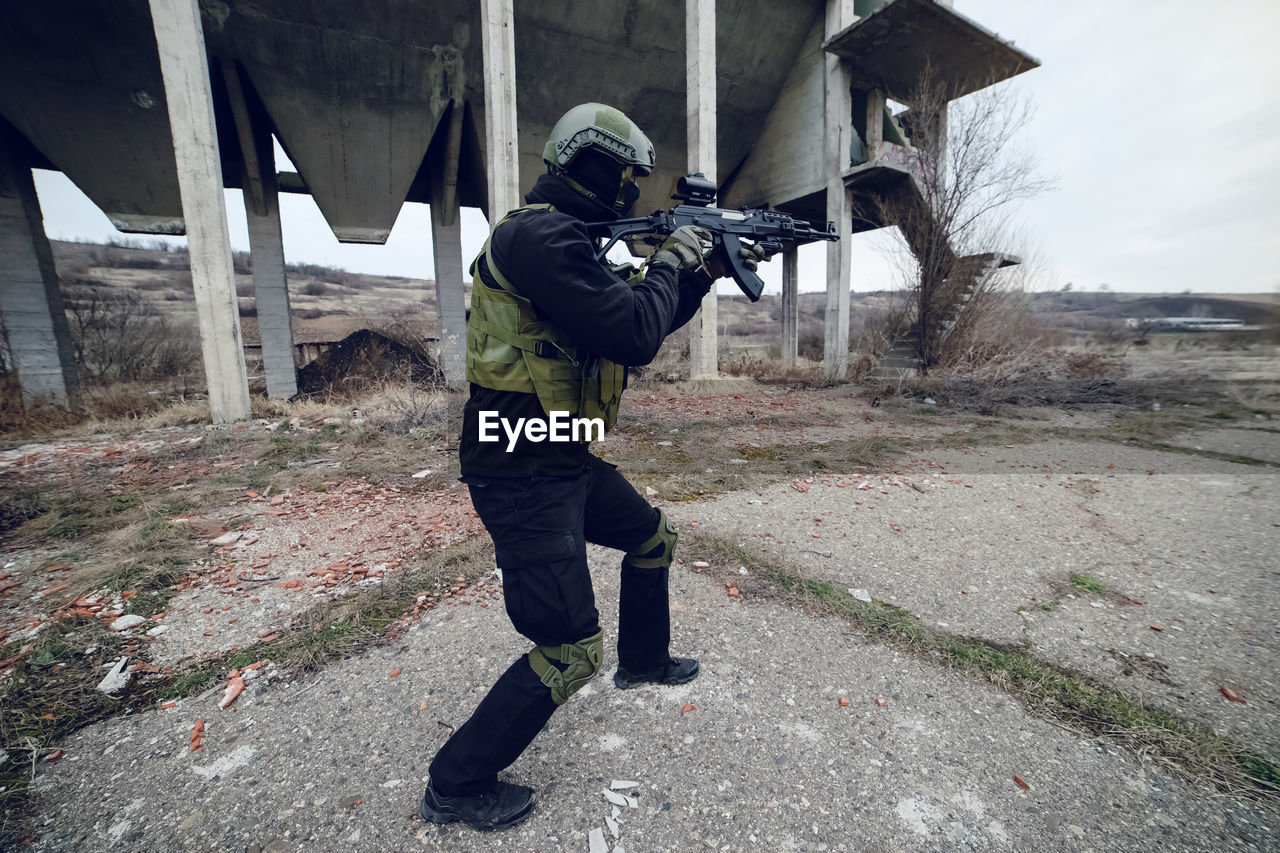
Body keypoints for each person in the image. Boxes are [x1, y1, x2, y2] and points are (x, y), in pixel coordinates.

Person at [418, 103, 770, 831]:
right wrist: (675, 256)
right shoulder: (539, 237)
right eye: (627, 179)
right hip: (518, 469)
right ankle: (455, 782)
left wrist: (702, 266)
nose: (632, 195)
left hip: (560, 453)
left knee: (652, 537)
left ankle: (644, 659)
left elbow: (640, 315)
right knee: (570, 648)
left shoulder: (567, 240)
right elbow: (636, 333)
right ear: (596, 168)